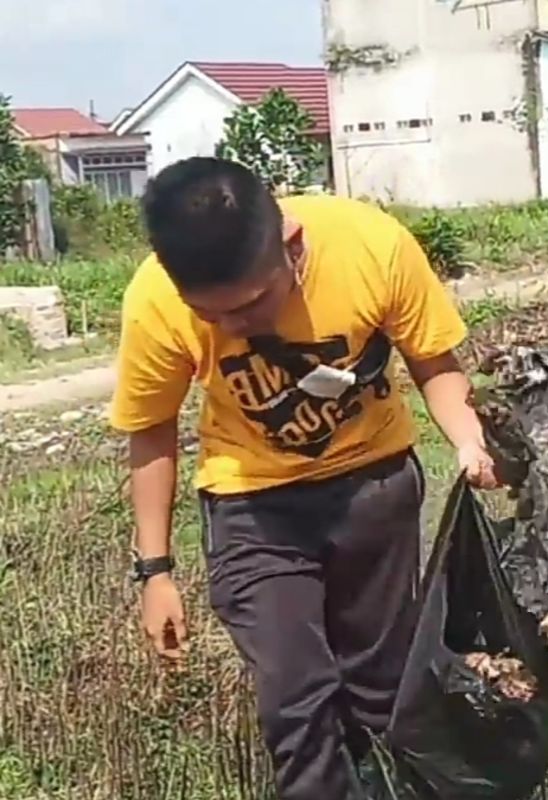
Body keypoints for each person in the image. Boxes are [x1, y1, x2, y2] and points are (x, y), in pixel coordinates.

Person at [108, 157, 497, 800]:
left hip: (374, 488)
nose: (236, 326)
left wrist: (469, 442)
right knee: (295, 696)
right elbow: (150, 430)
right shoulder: (154, 301)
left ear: (293, 245)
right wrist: (155, 570)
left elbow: (434, 362)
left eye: (255, 302)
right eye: (213, 315)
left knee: (382, 688)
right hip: (251, 503)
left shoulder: (370, 246)